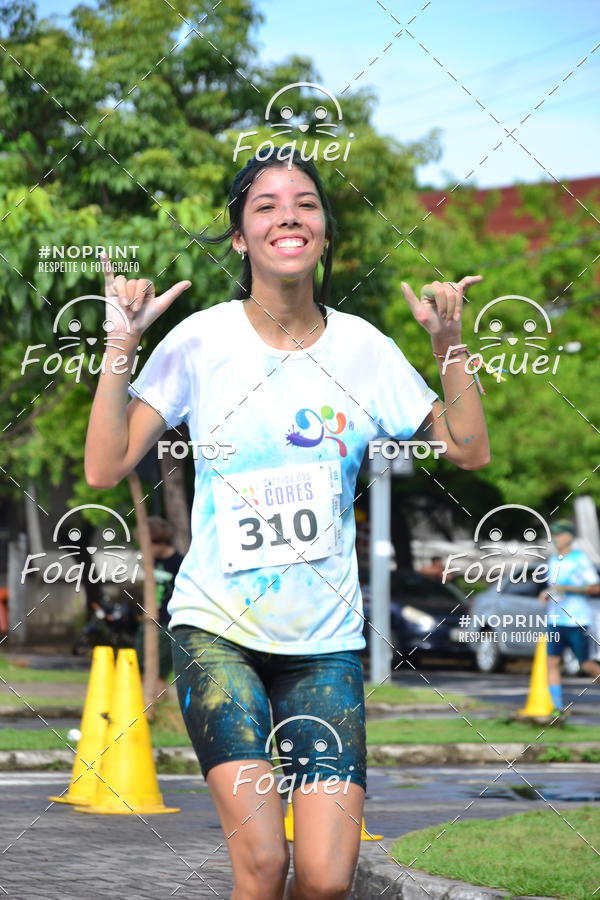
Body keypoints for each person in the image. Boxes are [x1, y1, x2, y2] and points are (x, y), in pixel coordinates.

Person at [85, 147, 490, 900]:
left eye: (304, 202)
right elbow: (106, 467)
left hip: (326, 645)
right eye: (265, 206)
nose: (288, 217)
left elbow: (468, 448)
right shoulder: (202, 340)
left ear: (326, 231)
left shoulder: (364, 348)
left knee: (330, 880)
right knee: (265, 864)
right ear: (240, 237)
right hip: (216, 629)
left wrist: (448, 348)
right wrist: (120, 344)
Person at [539, 520, 600, 711]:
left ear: (570, 536)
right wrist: (548, 594)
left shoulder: (579, 559)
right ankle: (557, 708)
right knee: (552, 661)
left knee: (586, 664)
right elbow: (553, 588)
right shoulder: (552, 560)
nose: (557, 538)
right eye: (554, 535)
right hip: (555, 619)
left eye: (560, 534)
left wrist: (566, 588)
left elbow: (595, 587)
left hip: (577, 620)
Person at [135, 516, 184, 696]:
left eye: (149, 545)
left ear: (161, 542)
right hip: (148, 620)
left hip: (166, 622)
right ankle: (144, 702)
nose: (145, 550)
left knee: (159, 671)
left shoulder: (180, 563)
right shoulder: (151, 562)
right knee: (141, 665)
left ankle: (158, 705)